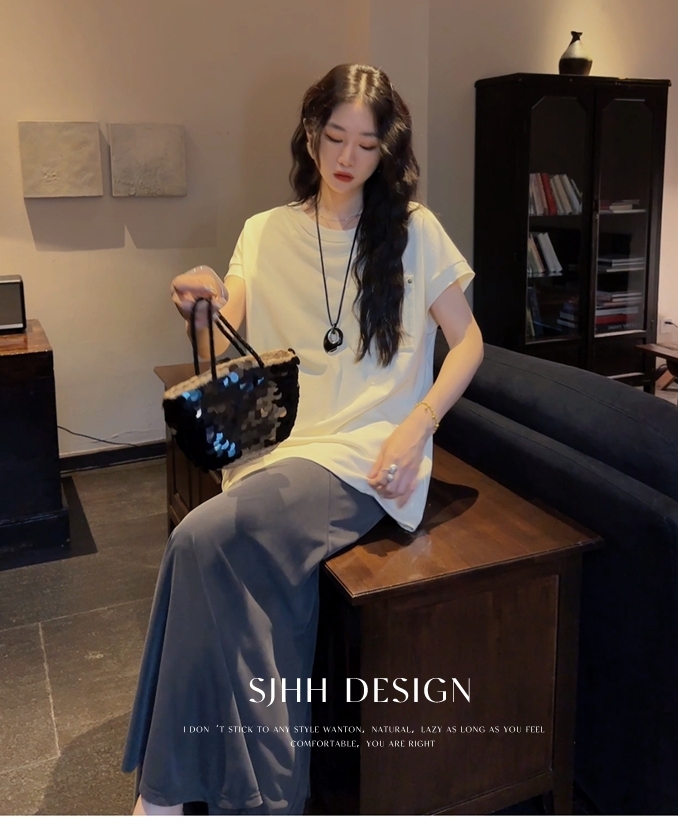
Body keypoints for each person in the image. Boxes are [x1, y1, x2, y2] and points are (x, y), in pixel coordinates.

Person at [122, 63, 484, 815]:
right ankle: (249, 790)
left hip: (367, 458)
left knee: (198, 541)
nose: (348, 157)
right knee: (245, 585)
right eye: (335, 136)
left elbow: (470, 341)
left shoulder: (415, 231)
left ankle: (166, 793)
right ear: (311, 134)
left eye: (367, 144)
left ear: (388, 150)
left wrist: (419, 424)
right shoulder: (265, 231)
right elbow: (222, 332)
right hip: (280, 452)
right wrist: (200, 302)